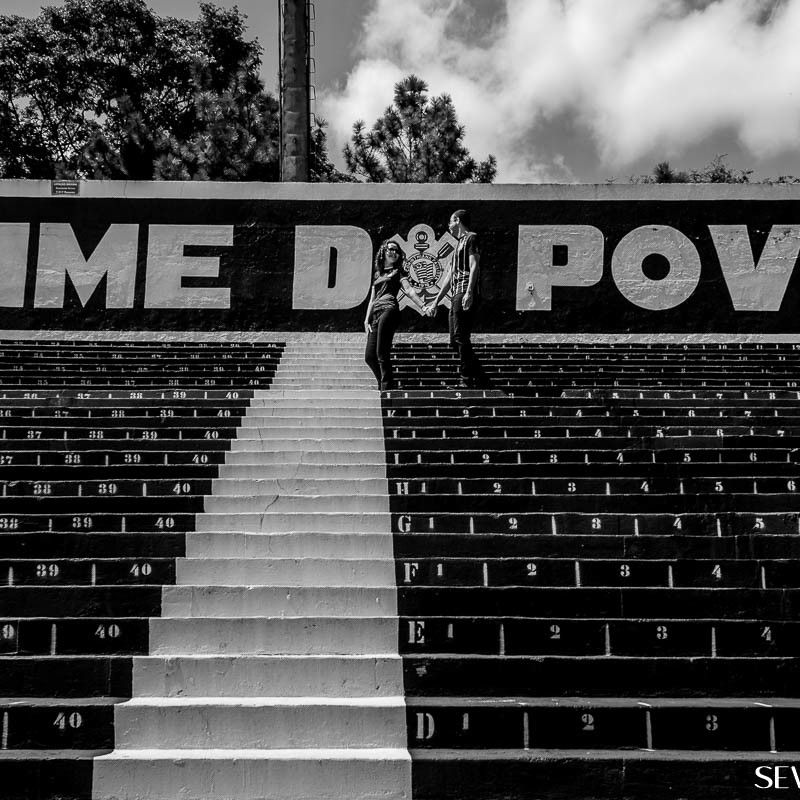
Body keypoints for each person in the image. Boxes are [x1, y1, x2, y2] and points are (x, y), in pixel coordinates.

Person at [425, 209, 488, 388]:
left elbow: (474, 266)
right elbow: (448, 277)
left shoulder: (471, 238)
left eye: (450, 221)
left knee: (461, 336)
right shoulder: (457, 246)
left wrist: (469, 292)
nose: (448, 225)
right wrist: (435, 301)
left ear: (458, 221)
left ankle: (467, 379)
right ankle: (480, 376)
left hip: (464, 292)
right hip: (455, 295)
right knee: (454, 339)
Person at [364, 239, 425, 391]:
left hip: (389, 310)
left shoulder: (399, 272)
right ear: (383, 251)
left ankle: (386, 388)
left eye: (397, 251)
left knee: (381, 352)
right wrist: (366, 320)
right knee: (370, 357)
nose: (394, 252)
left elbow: (409, 291)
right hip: (375, 315)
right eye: (391, 249)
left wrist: (423, 305)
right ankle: (385, 384)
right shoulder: (377, 273)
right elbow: (372, 299)